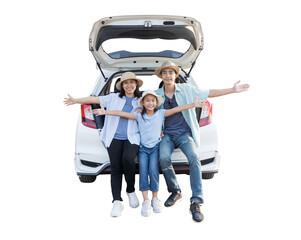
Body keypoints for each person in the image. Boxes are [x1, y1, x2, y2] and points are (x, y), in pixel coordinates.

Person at [154, 61, 250, 222]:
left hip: (184, 134)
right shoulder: (155, 94)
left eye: (171, 72)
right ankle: (175, 190)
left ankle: (196, 200)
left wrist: (232, 90)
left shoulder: (187, 89)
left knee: (194, 159)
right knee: (163, 158)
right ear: (161, 76)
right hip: (167, 135)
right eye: (165, 73)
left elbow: (209, 92)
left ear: (176, 75)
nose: (168, 75)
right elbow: (144, 109)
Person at [92, 90, 206, 217]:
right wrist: (105, 112)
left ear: (157, 103)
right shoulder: (138, 115)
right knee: (143, 173)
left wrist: (192, 105)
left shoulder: (161, 113)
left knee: (153, 171)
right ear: (143, 103)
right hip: (143, 149)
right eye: (147, 100)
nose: (150, 103)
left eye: (153, 100)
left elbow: (177, 109)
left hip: (155, 148)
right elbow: (122, 113)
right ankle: (145, 201)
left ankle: (155, 198)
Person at [64, 72, 144, 217]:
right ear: (121, 86)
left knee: (128, 160)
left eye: (132, 82)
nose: (129, 85)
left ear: (136, 85)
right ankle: (117, 202)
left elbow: (157, 106)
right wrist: (75, 100)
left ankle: (131, 191)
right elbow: (93, 98)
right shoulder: (113, 98)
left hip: (132, 137)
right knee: (115, 167)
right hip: (113, 137)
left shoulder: (141, 100)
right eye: (126, 83)